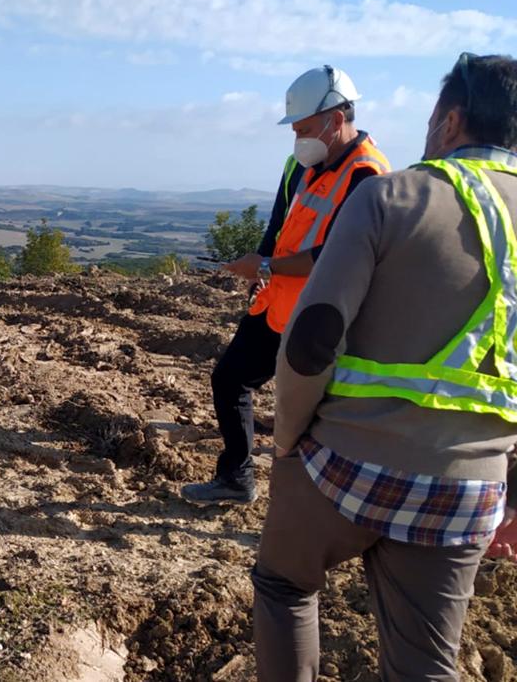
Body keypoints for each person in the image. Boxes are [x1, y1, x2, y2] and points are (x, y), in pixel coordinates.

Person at [253, 53, 517, 681]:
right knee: (424, 662)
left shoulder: (390, 194)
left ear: (450, 121)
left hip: (346, 466)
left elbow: (313, 341)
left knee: (285, 586)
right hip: (470, 488)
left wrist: (287, 441)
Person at [181, 66, 390, 505]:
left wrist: (268, 266)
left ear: (336, 118)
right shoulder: (306, 164)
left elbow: (336, 256)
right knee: (230, 379)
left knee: (309, 414)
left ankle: (320, 501)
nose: (298, 138)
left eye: (305, 128)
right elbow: (281, 226)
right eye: (295, 129)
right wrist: (261, 271)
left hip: (321, 316)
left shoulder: (367, 176)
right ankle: (237, 478)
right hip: (277, 303)